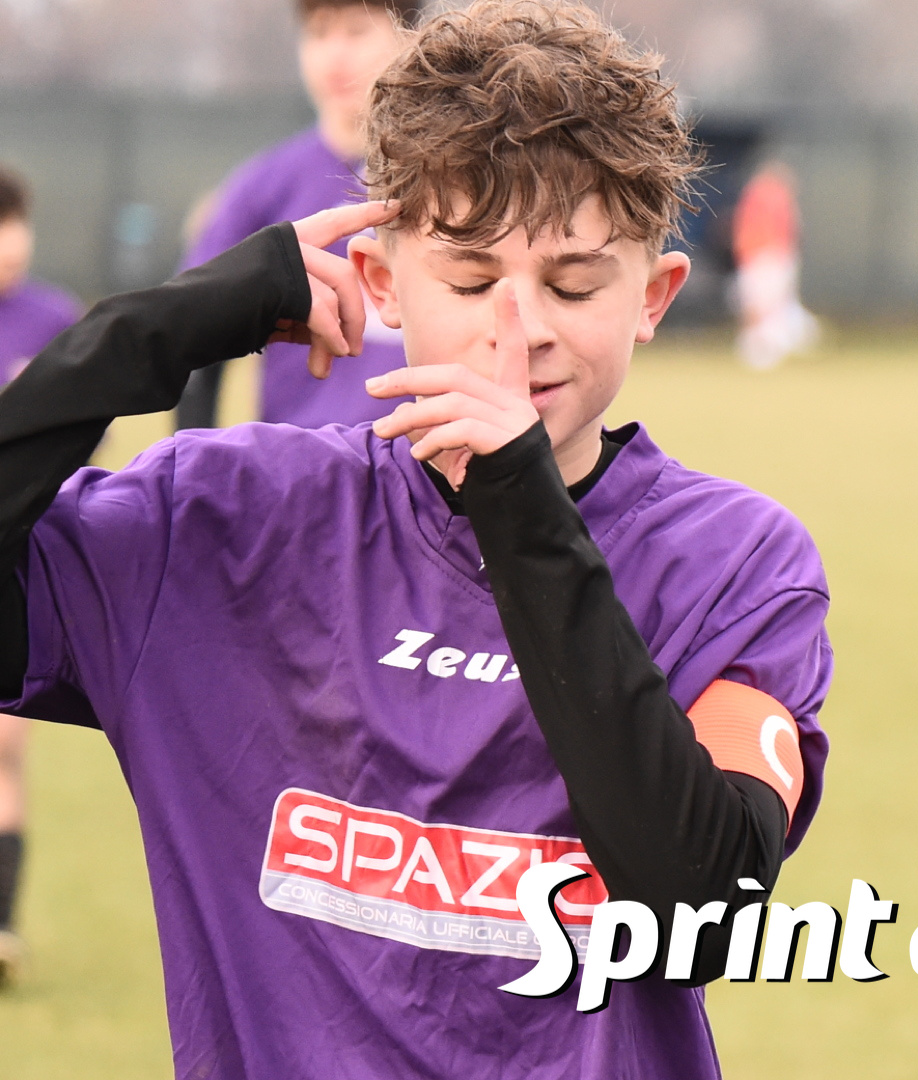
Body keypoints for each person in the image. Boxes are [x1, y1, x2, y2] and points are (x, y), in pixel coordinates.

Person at [0, 3, 829, 1076]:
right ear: (385, 284)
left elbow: (704, 908)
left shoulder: (735, 564)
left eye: (574, 284)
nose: (519, 331)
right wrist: (158, 329)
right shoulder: (219, 524)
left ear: (654, 296)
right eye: (472, 281)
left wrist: (522, 511)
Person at [174, 0, 417, 430]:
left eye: (356, 31)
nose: (335, 55)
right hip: (300, 460)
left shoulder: (456, 177)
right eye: (319, 33)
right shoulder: (262, 186)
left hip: (430, 459)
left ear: (410, 39)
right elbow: (195, 336)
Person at [0, 164, 81, 986]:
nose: (10, 241)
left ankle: (0, 928)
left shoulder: (55, 319)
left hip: (20, 563)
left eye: (16, 221)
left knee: (2, 745)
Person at [731, 162, 818, 370]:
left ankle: (766, 348)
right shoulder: (766, 195)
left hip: (769, 256)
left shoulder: (771, 197)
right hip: (763, 255)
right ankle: (762, 347)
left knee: (767, 306)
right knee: (761, 305)